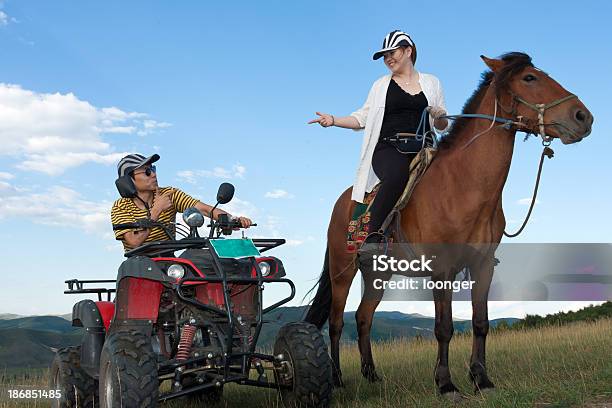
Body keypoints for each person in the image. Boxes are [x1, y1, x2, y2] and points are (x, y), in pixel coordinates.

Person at [308, 30, 449, 243]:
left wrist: (440, 116)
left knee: (456, 175)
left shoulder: (432, 82)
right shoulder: (381, 85)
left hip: (425, 149)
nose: (388, 59)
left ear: (408, 51)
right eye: (385, 56)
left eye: (393, 52)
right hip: (389, 148)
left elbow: (442, 126)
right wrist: (334, 120)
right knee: (396, 175)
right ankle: (372, 237)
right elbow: (361, 118)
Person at [110, 153, 252, 251]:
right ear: (128, 181)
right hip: (137, 263)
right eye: (147, 172)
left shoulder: (169, 194)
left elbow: (204, 209)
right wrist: (156, 211)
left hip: (168, 259)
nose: (153, 174)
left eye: (153, 169)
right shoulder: (120, 207)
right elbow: (134, 243)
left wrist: (232, 219)